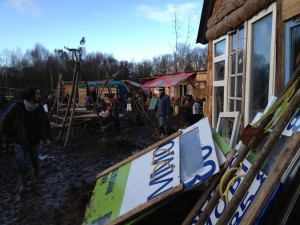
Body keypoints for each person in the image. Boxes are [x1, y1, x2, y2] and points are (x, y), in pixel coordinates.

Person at [0, 87, 53, 193]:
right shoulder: (19, 106)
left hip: (34, 140)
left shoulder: (39, 108)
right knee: (21, 162)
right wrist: (10, 134)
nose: (40, 96)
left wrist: (48, 137)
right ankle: (23, 185)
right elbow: (5, 119)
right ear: (31, 96)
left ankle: (36, 178)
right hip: (20, 141)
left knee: (35, 162)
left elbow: (46, 123)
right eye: (37, 94)